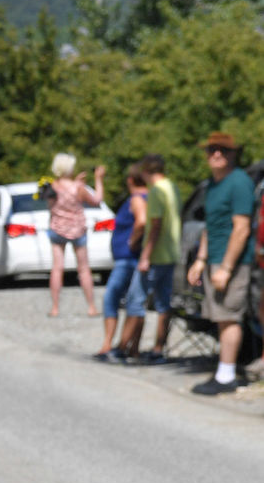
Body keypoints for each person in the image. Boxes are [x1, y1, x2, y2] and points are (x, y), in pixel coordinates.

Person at [187, 132, 255, 395]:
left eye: (223, 150)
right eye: (212, 149)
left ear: (233, 154)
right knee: (220, 317)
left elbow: (241, 228)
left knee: (228, 317)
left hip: (233, 263)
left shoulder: (239, 183)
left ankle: (226, 376)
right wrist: (200, 260)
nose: (217, 154)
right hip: (214, 259)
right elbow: (210, 226)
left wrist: (226, 268)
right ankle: (223, 370)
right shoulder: (213, 185)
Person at [94, 166, 149, 362]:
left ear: (131, 180)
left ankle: (109, 345)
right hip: (133, 258)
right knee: (136, 302)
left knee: (112, 298)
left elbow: (141, 221)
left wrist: (132, 241)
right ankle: (133, 347)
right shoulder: (150, 197)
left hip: (128, 259)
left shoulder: (137, 199)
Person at [46, 153, 105, 318]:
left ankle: (55, 308)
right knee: (84, 269)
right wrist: (98, 179)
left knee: (57, 268)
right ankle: (91, 307)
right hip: (77, 229)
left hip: (57, 228)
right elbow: (96, 200)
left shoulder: (52, 186)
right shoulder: (78, 188)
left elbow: (51, 206)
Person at [137, 153, 181, 364]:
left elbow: (155, 225)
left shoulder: (155, 191)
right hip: (171, 253)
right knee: (164, 304)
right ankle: (158, 349)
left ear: (146, 171)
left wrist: (145, 256)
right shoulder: (172, 186)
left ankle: (130, 349)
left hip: (157, 255)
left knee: (136, 300)